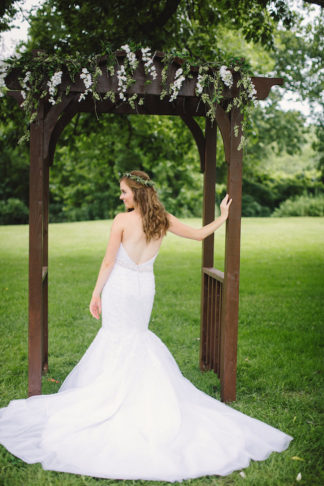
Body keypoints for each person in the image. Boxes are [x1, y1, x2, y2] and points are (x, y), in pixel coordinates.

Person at [0, 170, 292, 482]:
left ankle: (113, 396)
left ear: (137, 192)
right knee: (135, 337)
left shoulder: (121, 221)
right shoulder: (162, 217)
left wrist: (96, 293)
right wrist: (222, 217)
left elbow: (109, 262)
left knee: (116, 337)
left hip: (121, 288)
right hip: (144, 290)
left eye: (124, 191)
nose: (121, 197)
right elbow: (199, 234)